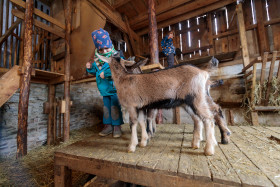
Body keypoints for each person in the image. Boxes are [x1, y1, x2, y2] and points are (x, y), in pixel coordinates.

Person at [86, 28, 123, 138]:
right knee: (106, 108)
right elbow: (95, 71)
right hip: (104, 90)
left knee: (115, 107)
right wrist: (89, 68)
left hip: (114, 89)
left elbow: (119, 70)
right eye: (101, 50)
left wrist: (106, 74)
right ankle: (108, 126)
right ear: (98, 49)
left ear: (110, 45)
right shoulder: (97, 60)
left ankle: (117, 127)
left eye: (106, 48)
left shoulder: (116, 57)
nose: (105, 52)